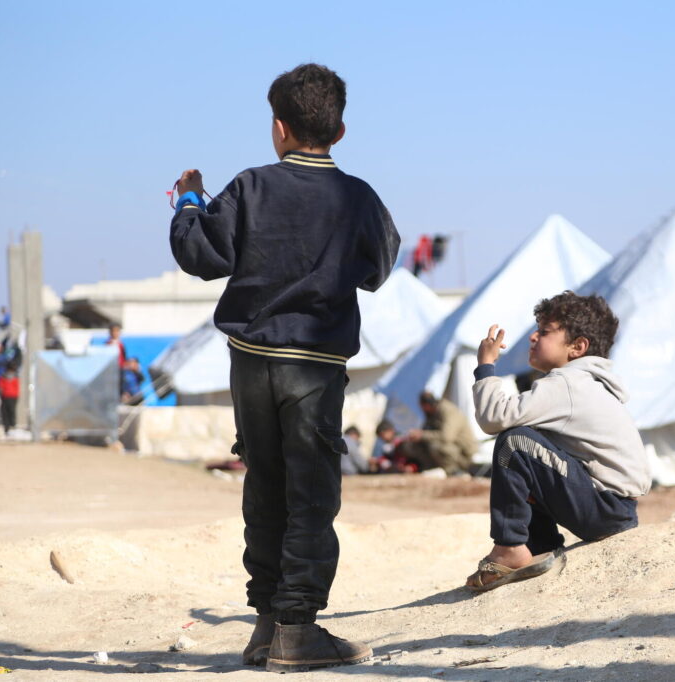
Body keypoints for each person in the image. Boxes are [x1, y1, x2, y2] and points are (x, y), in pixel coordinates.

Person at [169, 63, 400, 673]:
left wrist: (189, 199)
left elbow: (200, 254)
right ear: (340, 130)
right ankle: (297, 630)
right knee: (312, 494)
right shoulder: (358, 197)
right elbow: (380, 265)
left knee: (264, 487)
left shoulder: (249, 187)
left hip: (250, 362)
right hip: (315, 365)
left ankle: (266, 624)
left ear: (278, 127)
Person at [465, 291, 651, 592]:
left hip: (604, 506)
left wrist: (485, 367)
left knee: (514, 442)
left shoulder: (567, 384)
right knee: (533, 446)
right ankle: (538, 545)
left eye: (546, 331)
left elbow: (493, 417)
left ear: (577, 347)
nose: (533, 337)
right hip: (616, 506)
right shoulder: (584, 383)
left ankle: (510, 547)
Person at [403, 391, 478, 474]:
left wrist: (422, 435)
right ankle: (430, 469)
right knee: (413, 445)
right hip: (452, 449)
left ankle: (453, 471)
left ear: (426, 405)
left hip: (463, 453)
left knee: (435, 446)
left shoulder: (448, 411)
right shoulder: (432, 414)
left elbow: (447, 437)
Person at [0, 367, 19, 435]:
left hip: (12, 397)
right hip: (5, 398)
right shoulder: (3, 378)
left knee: (11, 413)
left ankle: (12, 428)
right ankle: (7, 430)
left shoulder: (15, 379)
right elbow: (0, 388)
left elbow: (16, 388)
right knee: (5, 414)